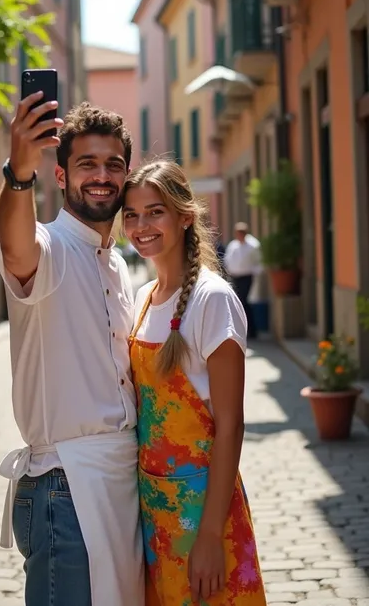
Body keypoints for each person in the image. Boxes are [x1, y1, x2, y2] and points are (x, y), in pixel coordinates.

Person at [0, 95, 144, 606]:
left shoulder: (119, 266)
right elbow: (15, 246)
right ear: (60, 177)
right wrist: (19, 171)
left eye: (113, 164)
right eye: (86, 164)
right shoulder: (48, 247)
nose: (101, 176)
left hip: (122, 487)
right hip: (65, 489)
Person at [122, 160, 266, 606]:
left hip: (205, 509)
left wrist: (208, 536)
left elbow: (231, 426)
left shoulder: (213, 300)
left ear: (185, 217)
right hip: (154, 509)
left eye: (155, 212)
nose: (141, 225)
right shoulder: (144, 298)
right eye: (131, 214)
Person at [224, 222, 262, 339]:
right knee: (238, 302)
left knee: (243, 302)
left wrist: (255, 272)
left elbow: (259, 261)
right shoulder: (233, 245)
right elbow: (228, 260)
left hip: (247, 276)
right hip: (235, 277)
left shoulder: (253, 245)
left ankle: (251, 330)